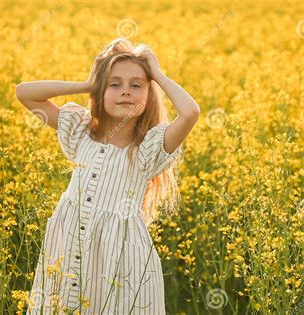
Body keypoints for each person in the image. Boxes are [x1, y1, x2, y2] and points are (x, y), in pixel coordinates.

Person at [15, 37, 200, 314]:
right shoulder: (80, 132)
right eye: (114, 84)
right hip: (67, 243)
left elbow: (190, 113)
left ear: (148, 96)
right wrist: (89, 84)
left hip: (121, 257)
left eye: (136, 85)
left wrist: (157, 74)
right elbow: (25, 93)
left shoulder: (148, 148)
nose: (125, 91)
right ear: (101, 91)